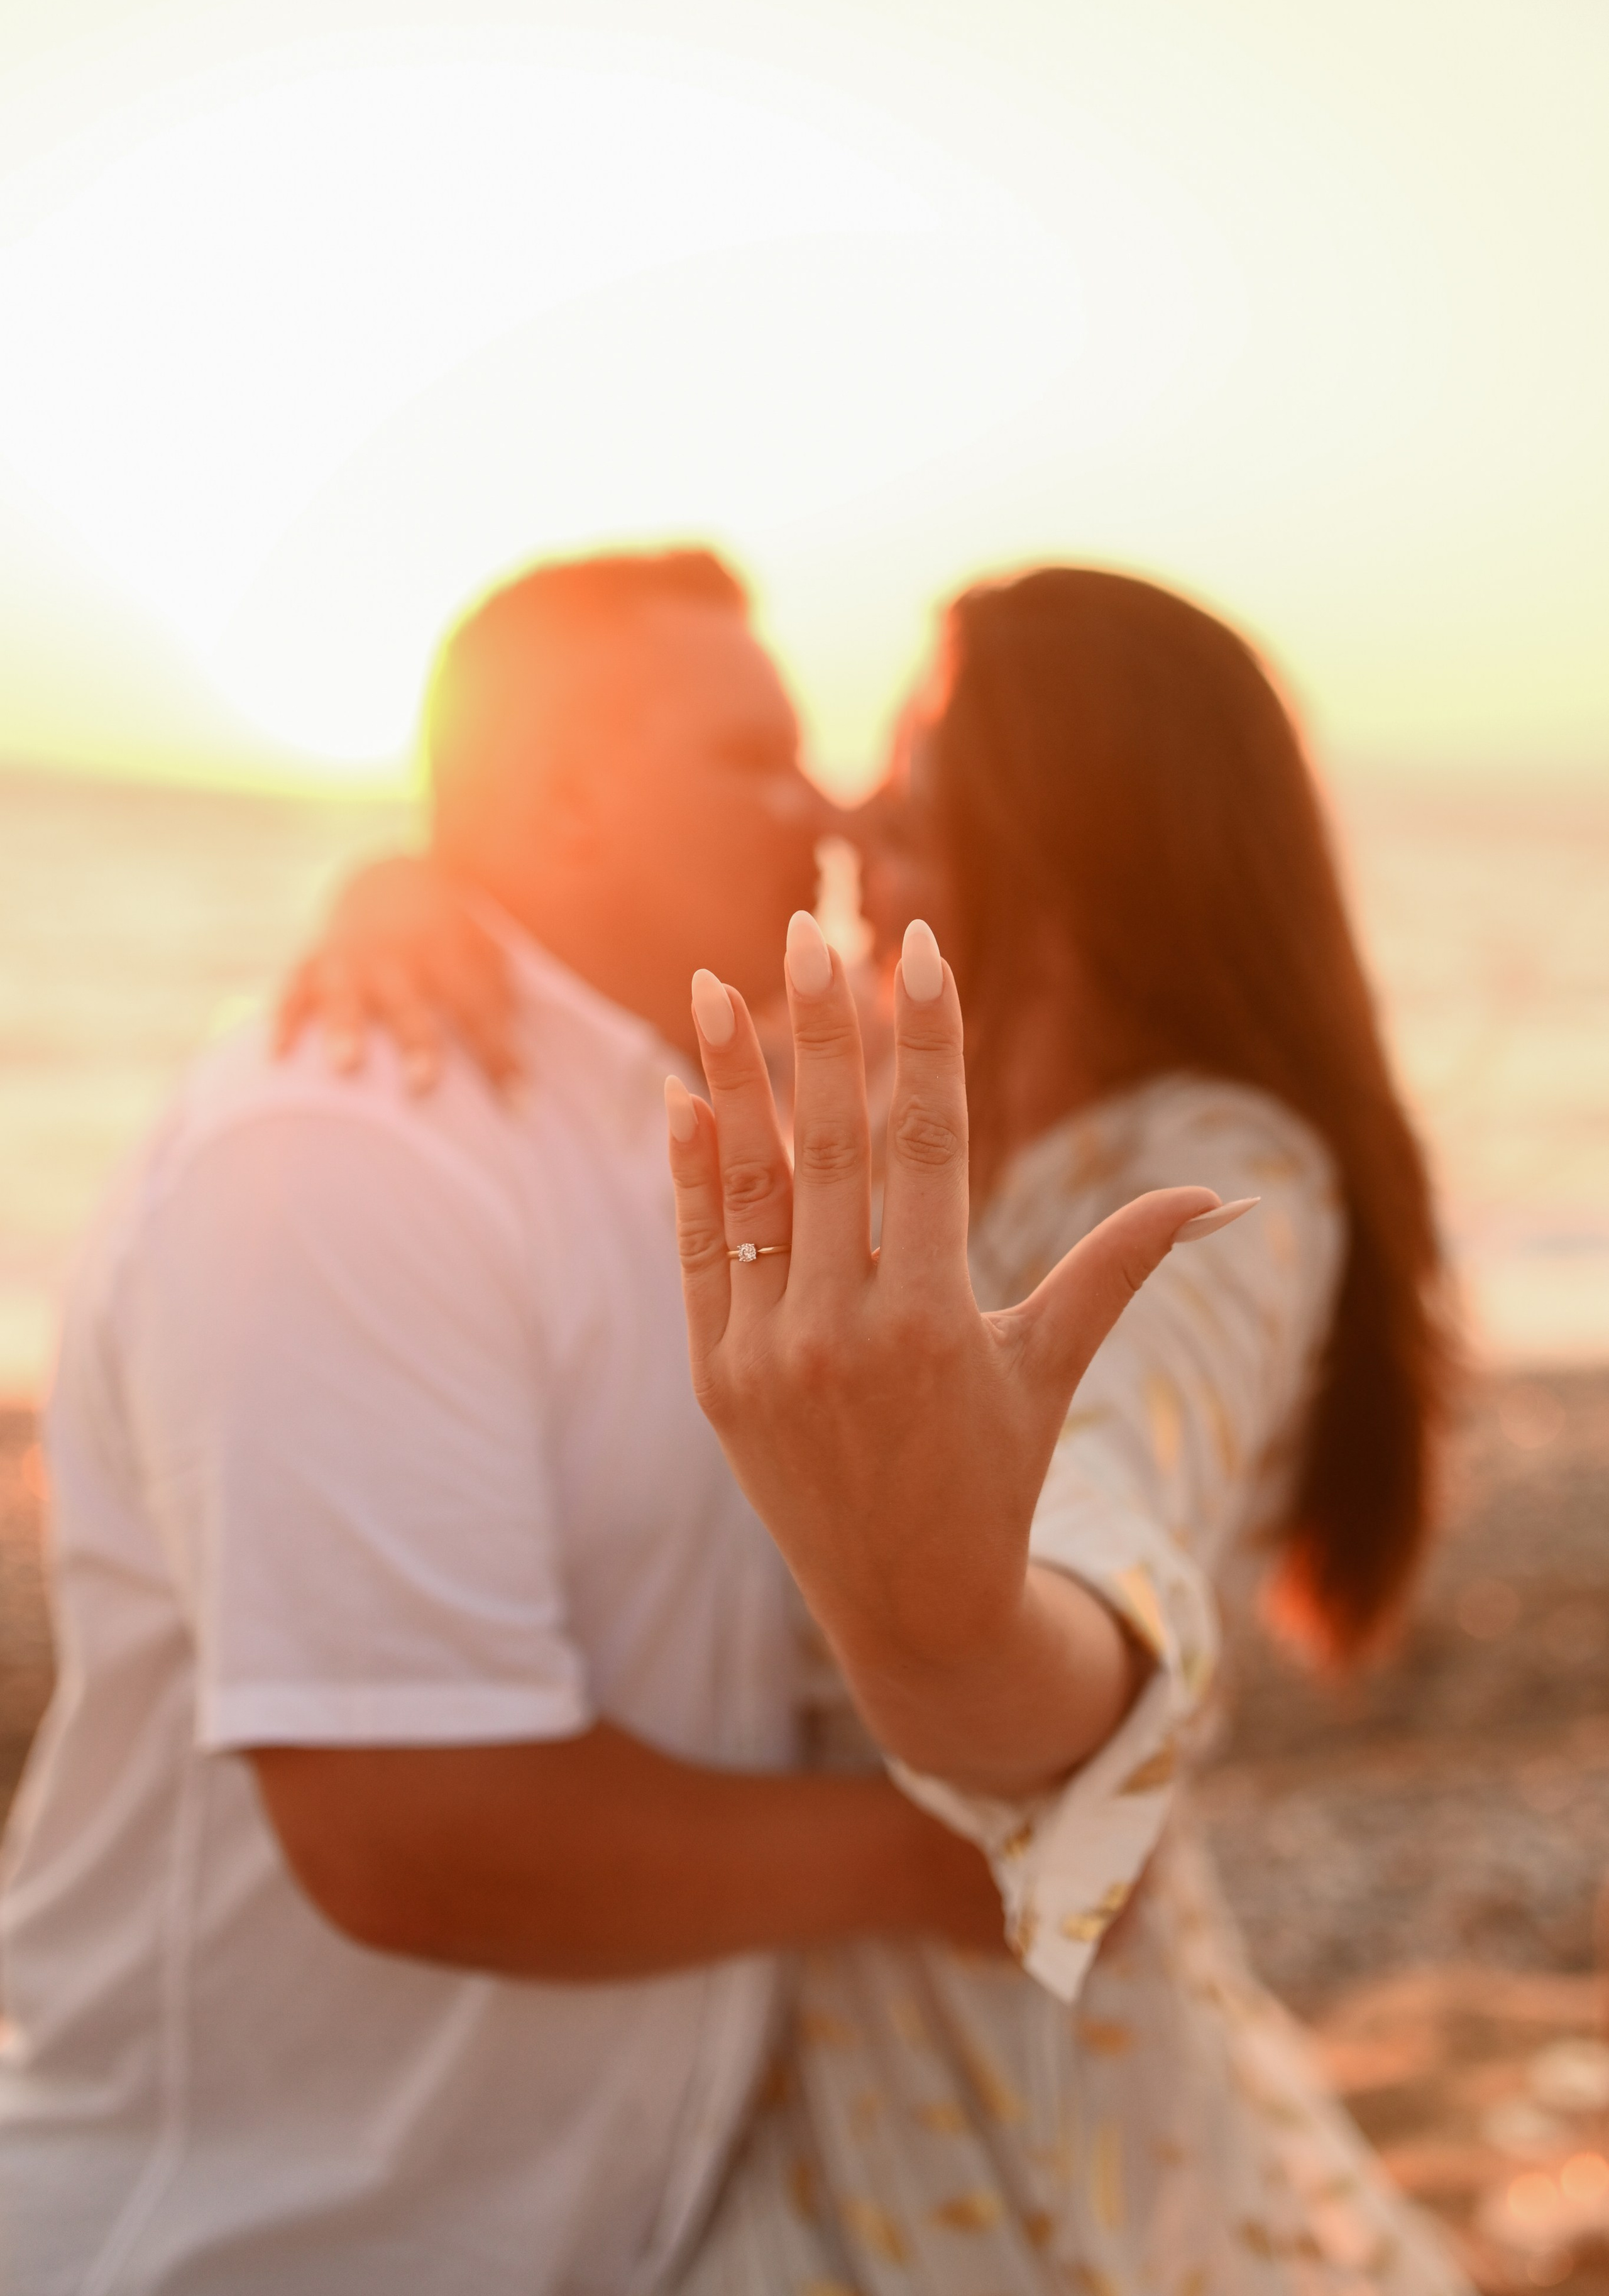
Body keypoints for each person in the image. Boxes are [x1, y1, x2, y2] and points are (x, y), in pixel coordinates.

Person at [0, 549, 1216, 2296]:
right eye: (750, 756)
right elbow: (417, 1827)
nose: (816, 807)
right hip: (256, 2246)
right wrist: (967, 1851)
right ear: (564, 800)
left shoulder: (688, 1098)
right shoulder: (353, 1150)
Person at [301, 564, 1471, 2292]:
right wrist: (409, 888)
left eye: (923, 745)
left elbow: (1093, 1597)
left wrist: (954, 1614)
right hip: (744, 2043)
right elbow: (600, 958)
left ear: (1081, 809)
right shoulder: (878, 1103)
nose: (861, 797)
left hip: (986, 2116)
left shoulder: (1215, 1184)